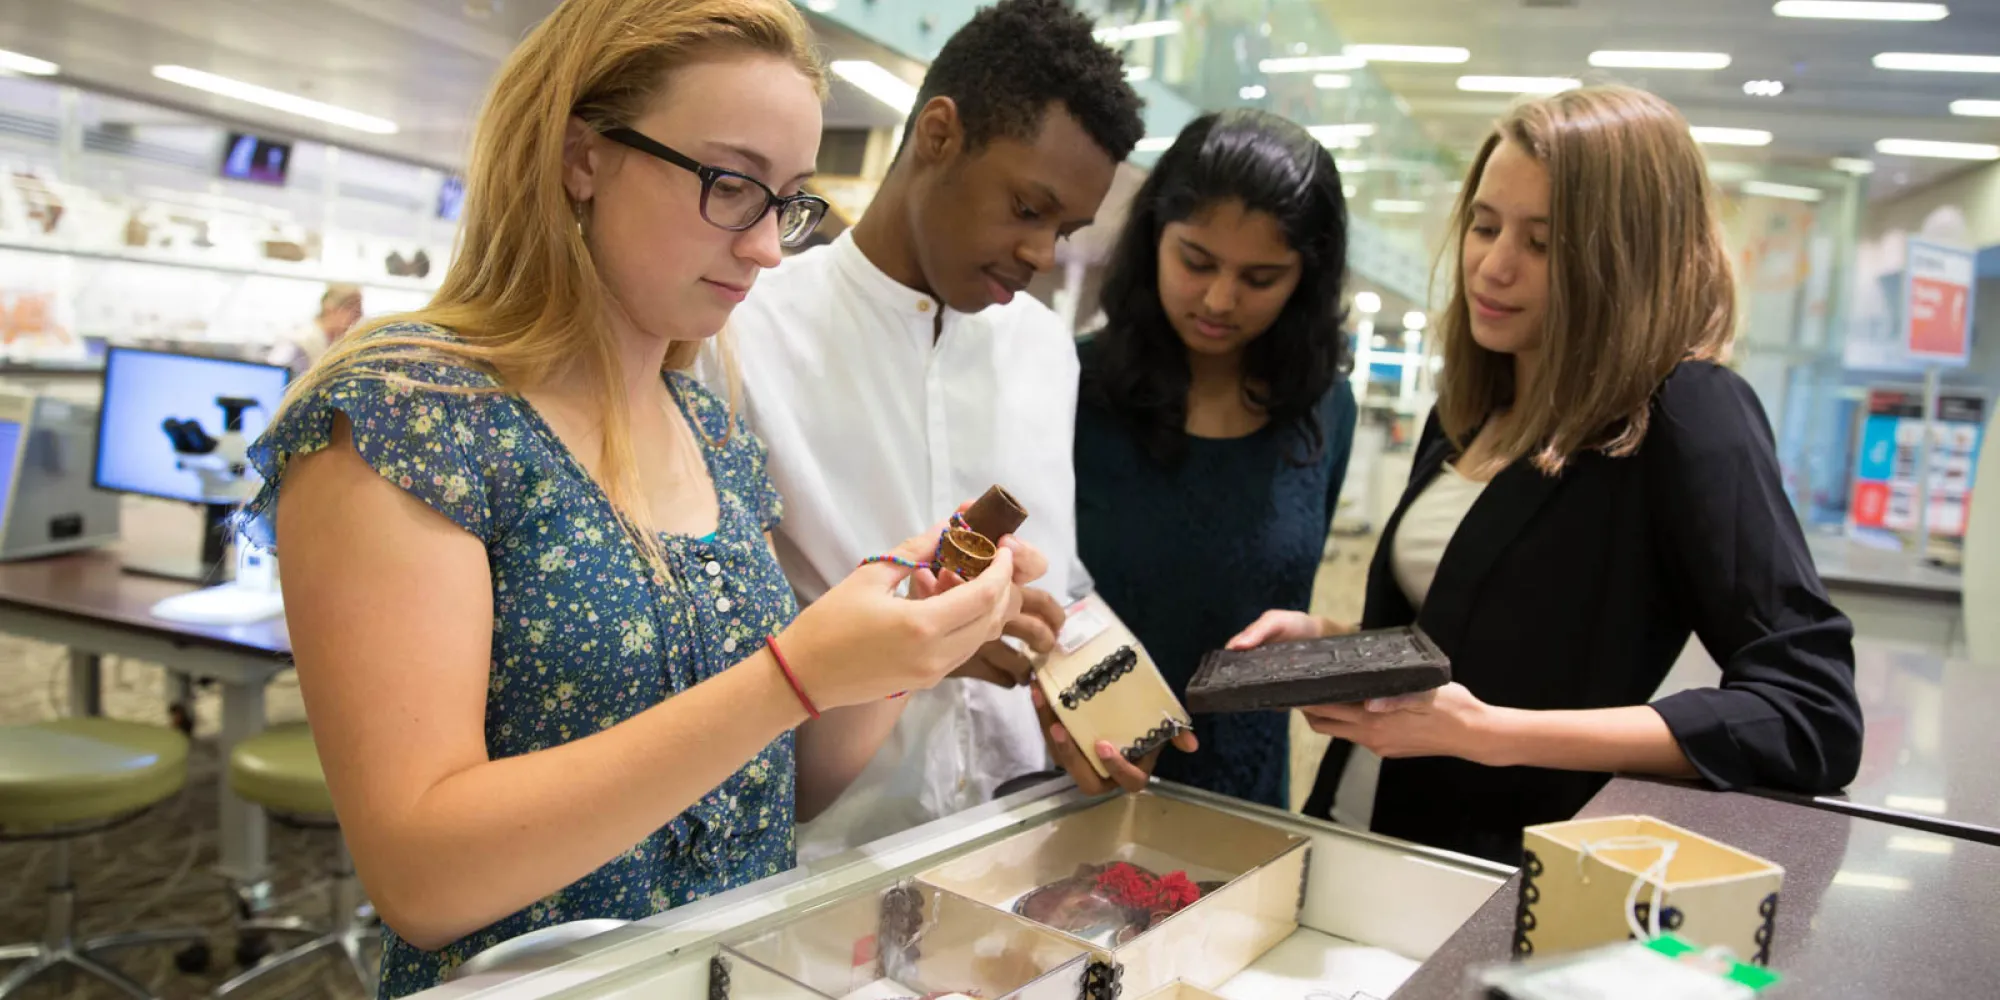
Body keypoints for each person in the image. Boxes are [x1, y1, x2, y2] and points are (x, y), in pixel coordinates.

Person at [239, 3, 1037, 996]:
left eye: (784, 200)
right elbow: (423, 874)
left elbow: (769, 796)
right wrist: (789, 676)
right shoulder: (414, 412)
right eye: (730, 185)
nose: (766, 249)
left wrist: (899, 643)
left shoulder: (712, 436)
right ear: (581, 156)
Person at [1229, 85, 1865, 865]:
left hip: (1505, 869)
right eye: (1484, 226)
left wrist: (1491, 734)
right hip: (1356, 828)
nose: (1493, 267)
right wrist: (1330, 643)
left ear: (1625, 258)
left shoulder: (1688, 414)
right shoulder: (1473, 404)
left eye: (1543, 242)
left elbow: (1808, 712)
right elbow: (1465, 636)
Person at [724, 0, 1189, 862]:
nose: (1043, 253)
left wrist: (1108, 705)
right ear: (939, 133)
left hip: (1014, 838)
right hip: (819, 848)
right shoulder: (750, 333)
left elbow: (1065, 577)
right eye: (1027, 207)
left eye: (1066, 230)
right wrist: (919, 647)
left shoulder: (1046, 349)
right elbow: (716, 630)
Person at [1073, 109, 1355, 810]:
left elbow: (1317, 614)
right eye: (1196, 262)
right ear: (1152, 240)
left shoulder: (1323, 409)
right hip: (1078, 777)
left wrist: (1324, 643)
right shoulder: (1071, 387)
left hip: (1246, 798)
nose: (1220, 300)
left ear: (1306, 277)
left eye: (1261, 277)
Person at [269, 283, 363, 377]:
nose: (358, 316)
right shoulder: (300, 340)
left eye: (359, 310)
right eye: (353, 310)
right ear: (330, 309)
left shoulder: (342, 344)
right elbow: (274, 374)